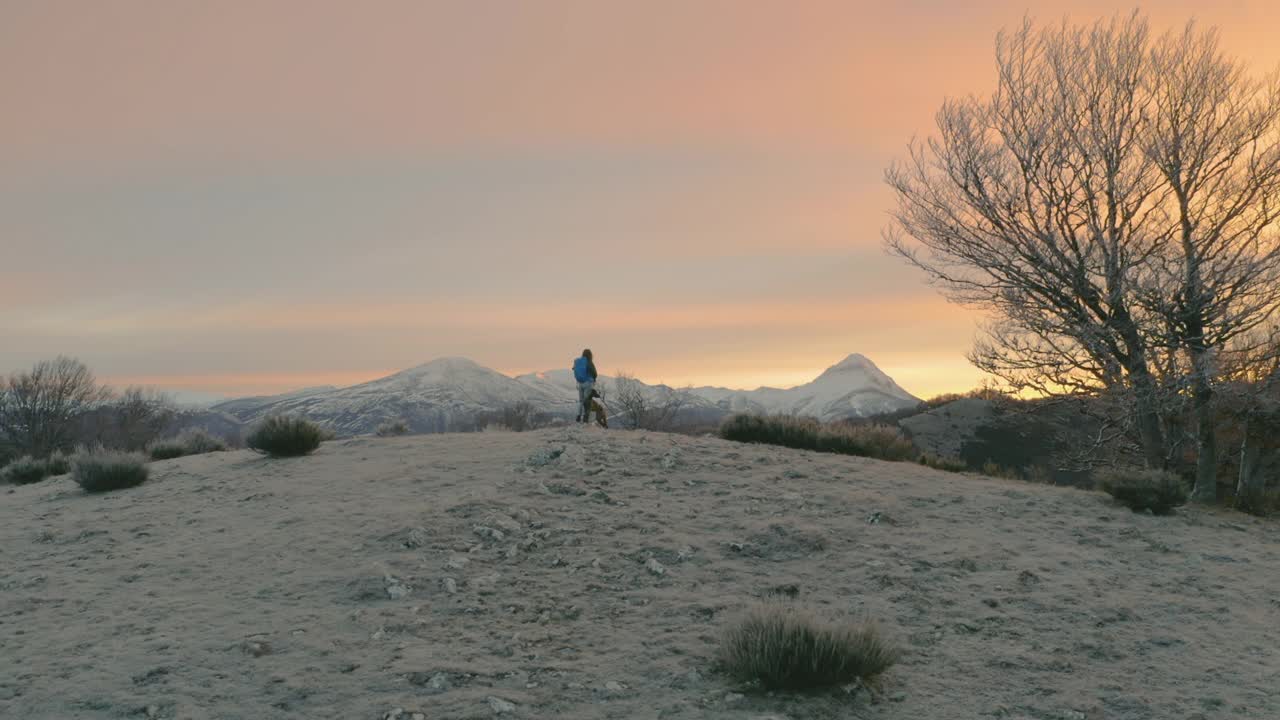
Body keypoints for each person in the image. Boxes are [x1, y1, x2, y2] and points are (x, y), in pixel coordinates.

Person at [572, 348, 598, 424]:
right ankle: (586, 418)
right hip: (588, 383)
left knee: (581, 401)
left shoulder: (578, 361)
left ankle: (578, 416)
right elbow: (595, 373)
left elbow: (574, 369)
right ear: (590, 355)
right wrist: (593, 378)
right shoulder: (589, 362)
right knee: (587, 401)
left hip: (580, 383)